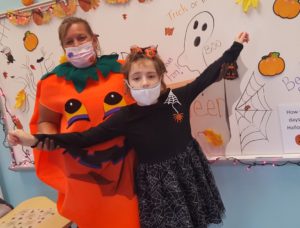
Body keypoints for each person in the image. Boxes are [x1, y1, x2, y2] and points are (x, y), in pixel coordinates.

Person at [9, 32, 249, 228]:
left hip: (188, 170)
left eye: (150, 76)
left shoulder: (175, 99)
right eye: (137, 78)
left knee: (197, 219)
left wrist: (235, 47)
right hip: (156, 185)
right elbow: (84, 138)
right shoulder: (125, 117)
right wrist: (34, 140)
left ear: (161, 77)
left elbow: (206, 77)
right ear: (127, 84)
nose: (144, 82)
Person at [28, 17, 140, 228]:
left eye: (82, 38)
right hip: (82, 173)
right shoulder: (51, 83)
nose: (77, 45)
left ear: (94, 40)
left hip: (125, 168)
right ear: (63, 47)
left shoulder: (122, 70)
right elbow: (46, 121)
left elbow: (147, 103)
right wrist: (50, 139)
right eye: (69, 41)